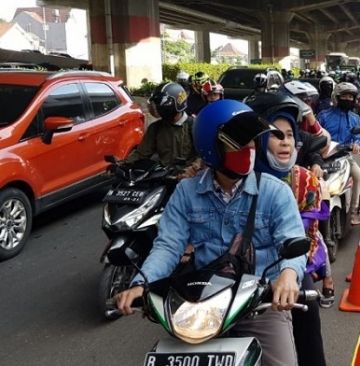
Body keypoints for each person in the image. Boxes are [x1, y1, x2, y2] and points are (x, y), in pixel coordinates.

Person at [115, 100, 306, 366]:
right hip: (202, 305)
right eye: (240, 143)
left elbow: (291, 239)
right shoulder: (186, 193)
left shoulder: (275, 192)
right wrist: (141, 283)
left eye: (252, 142)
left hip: (261, 305)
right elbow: (168, 246)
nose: (249, 150)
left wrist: (288, 275)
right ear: (211, 148)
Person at [249, 96, 332, 365]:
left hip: (291, 266)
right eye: (276, 135)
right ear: (259, 140)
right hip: (240, 269)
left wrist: (287, 273)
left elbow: (306, 237)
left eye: (289, 135)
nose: (285, 142)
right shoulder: (238, 176)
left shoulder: (306, 180)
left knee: (307, 311)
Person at [317, 82, 360, 225]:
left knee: (358, 174)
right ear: (336, 97)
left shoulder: (355, 118)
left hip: (344, 156)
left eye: (351, 96)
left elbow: (359, 136)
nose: (348, 99)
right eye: (344, 96)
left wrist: (357, 144)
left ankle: (354, 210)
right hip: (323, 157)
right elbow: (316, 134)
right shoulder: (323, 116)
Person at [126, 82, 196, 166]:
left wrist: (194, 167)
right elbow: (141, 153)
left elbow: (203, 156)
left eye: (163, 104)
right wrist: (122, 165)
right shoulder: (155, 128)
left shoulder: (194, 126)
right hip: (164, 175)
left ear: (178, 103)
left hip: (191, 176)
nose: (159, 108)